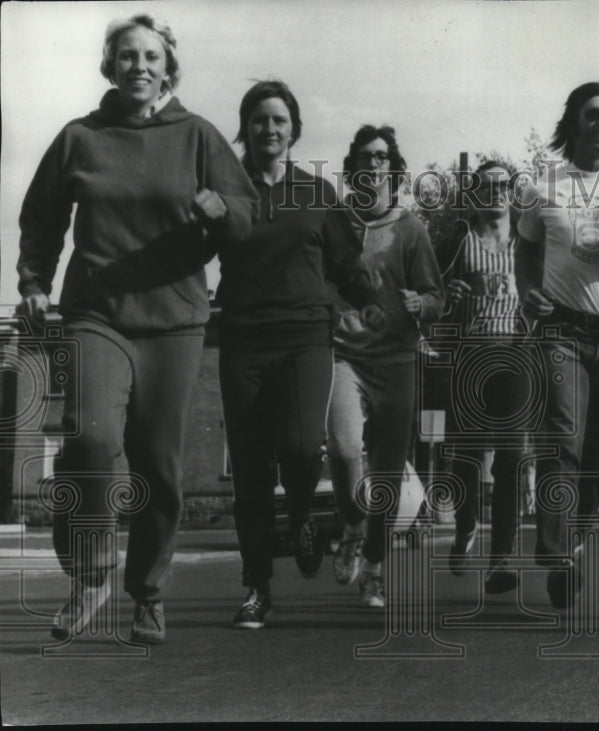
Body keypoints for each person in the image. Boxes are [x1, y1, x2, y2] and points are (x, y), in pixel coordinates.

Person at [16, 14, 258, 643]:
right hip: (97, 313)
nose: (140, 67)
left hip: (174, 320)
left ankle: (148, 595)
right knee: (91, 441)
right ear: (111, 65)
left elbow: (246, 218)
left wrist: (221, 207)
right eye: (128, 56)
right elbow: (42, 215)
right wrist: (34, 283)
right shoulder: (80, 138)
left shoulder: (198, 136)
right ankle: (92, 572)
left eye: (152, 57)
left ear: (168, 67)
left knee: (158, 463)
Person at [217, 81, 384, 629]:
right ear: (246, 127)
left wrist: (374, 302)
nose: (270, 129)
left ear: (294, 131)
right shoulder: (224, 190)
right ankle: (257, 588)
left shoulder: (314, 194)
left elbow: (347, 265)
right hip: (241, 338)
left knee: (297, 447)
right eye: (260, 119)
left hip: (306, 338)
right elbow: (186, 247)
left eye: (280, 120)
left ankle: (301, 518)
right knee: (249, 467)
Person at [514, 82, 599, 610]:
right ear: (576, 122)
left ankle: (577, 535)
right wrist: (527, 293)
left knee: (598, 454)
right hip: (560, 328)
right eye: (593, 114)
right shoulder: (543, 185)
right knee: (560, 438)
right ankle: (557, 553)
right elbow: (525, 247)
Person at [327, 125, 444, 608]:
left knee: (388, 471)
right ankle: (353, 525)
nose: (373, 165)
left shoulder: (410, 228)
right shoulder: (333, 220)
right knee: (342, 448)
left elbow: (436, 296)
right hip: (342, 353)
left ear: (392, 170)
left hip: (395, 358)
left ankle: (374, 566)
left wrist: (424, 304)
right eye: (365, 157)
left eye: (382, 158)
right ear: (353, 166)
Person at [435, 161, 529, 594]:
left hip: (514, 355)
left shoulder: (529, 241)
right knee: (468, 456)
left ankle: (502, 559)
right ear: (475, 195)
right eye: (486, 186)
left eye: (502, 185)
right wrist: (446, 295)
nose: (495, 192)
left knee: (511, 456)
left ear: (513, 192)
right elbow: (431, 288)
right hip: (469, 355)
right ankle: (465, 526)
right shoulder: (461, 239)